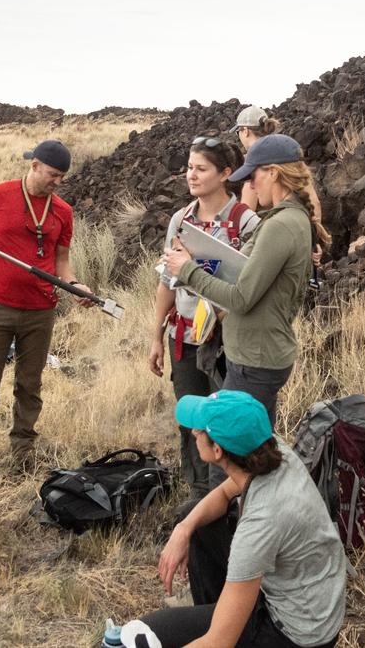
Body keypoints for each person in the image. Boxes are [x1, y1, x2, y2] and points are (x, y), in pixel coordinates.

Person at [124, 390, 346, 648]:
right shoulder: (269, 450)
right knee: (193, 517)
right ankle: (223, 611)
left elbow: (219, 643)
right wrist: (183, 529)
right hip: (309, 594)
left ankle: (228, 618)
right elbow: (224, 492)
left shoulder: (261, 523)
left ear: (217, 450)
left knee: (141, 635)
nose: (193, 432)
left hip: (295, 634)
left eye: (199, 430)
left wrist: (215, 635)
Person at [0, 139, 94, 495]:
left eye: (62, 177)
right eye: (53, 175)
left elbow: (62, 264)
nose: (57, 182)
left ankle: (23, 454)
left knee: (30, 385)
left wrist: (76, 286)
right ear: (35, 165)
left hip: (41, 310)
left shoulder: (63, 211)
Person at [163, 134, 328, 425]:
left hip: (255, 360)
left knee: (228, 450)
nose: (249, 186)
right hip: (257, 356)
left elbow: (241, 297)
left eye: (253, 176)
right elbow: (243, 271)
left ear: (273, 173)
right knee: (253, 449)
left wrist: (188, 270)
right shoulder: (286, 219)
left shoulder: (280, 225)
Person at [149, 136, 260, 501]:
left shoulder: (246, 223)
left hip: (228, 340)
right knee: (191, 417)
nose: (191, 176)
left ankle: (228, 493)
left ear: (225, 173)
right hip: (183, 336)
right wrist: (155, 338)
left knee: (226, 419)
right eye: (188, 168)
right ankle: (198, 492)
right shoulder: (180, 220)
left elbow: (253, 284)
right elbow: (168, 282)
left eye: (201, 169)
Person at [236, 105, 324, 267]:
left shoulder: (255, 165)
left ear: (245, 131)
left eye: (238, 132)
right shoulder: (286, 152)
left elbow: (244, 216)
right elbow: (314, 203)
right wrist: (312, 242)